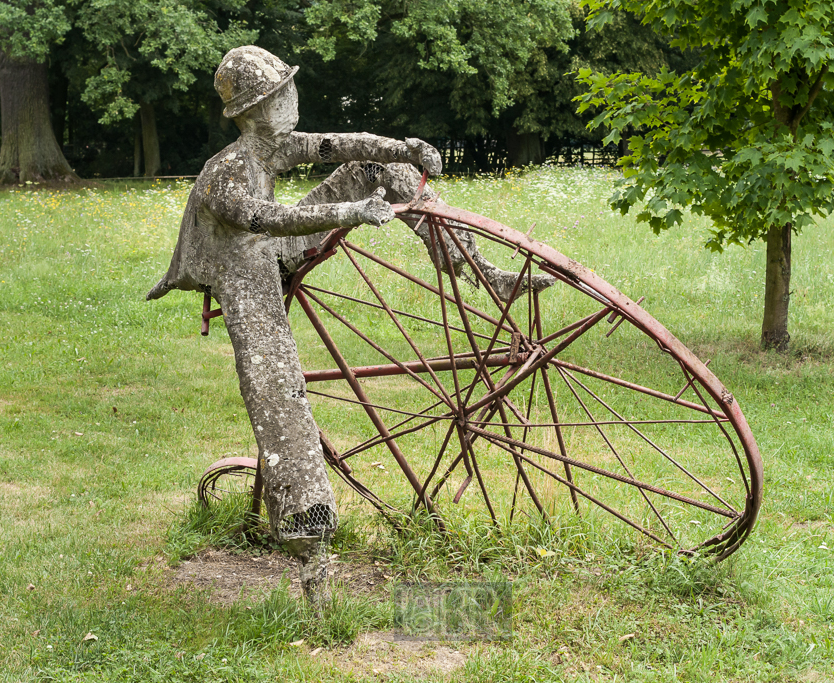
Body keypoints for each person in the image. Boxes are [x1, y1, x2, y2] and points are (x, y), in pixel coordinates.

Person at [147, 45, 548, 598]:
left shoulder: (280, 146)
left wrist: (403, 149)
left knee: (373, 168)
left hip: (273, 251)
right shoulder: (226, 173)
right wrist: (351, 213)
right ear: (249, 113)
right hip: (243, 275)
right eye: (275, 96)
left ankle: (478, 267)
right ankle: (310, 547)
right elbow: (270, 218)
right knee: (277, 387)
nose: (289, 101)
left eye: (287, 89)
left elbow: (343, 145)